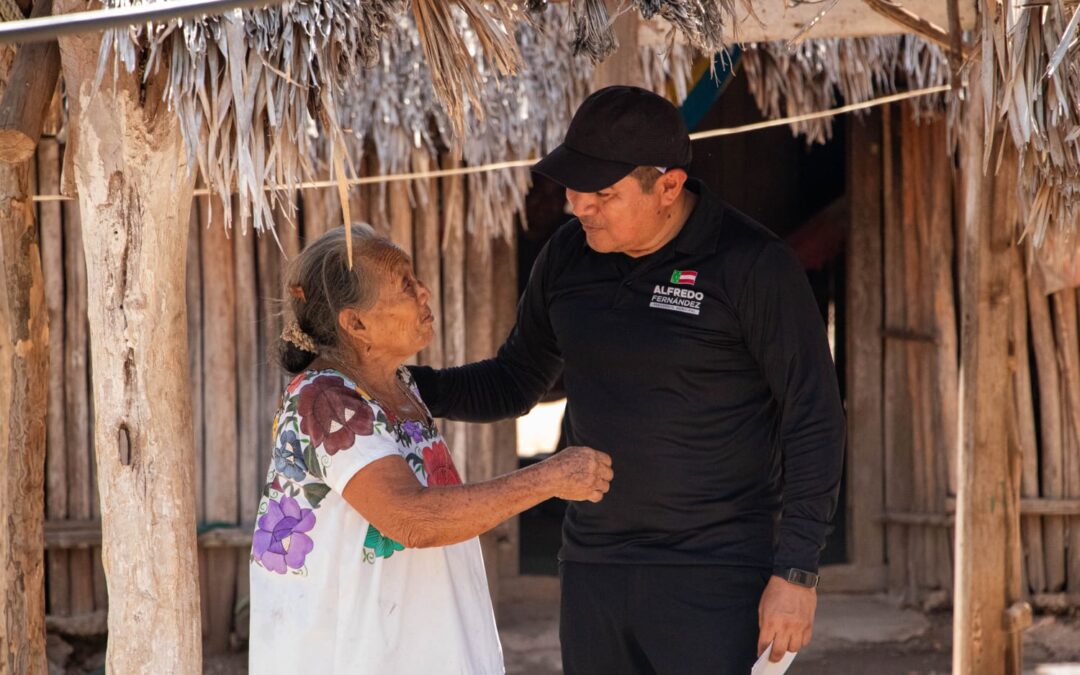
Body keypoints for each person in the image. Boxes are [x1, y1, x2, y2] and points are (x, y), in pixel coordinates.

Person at [409, 85, 846, 674]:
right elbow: (516, 382)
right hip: (594, 568)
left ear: (667, 186)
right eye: (576, 190)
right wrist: (404, 387)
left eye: (604, 194)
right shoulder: (567, 257)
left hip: (716, 572)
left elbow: (813, 418)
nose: (580, 207)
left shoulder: (751, 265)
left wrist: (796, 571)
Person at [248, 224, 613, 674]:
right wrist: (548, 479)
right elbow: (412, 518)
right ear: (355, 322)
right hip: (352, 654)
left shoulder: (398, 386)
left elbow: (506, 385)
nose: (423, 291)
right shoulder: (326, 400)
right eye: (404, 284)